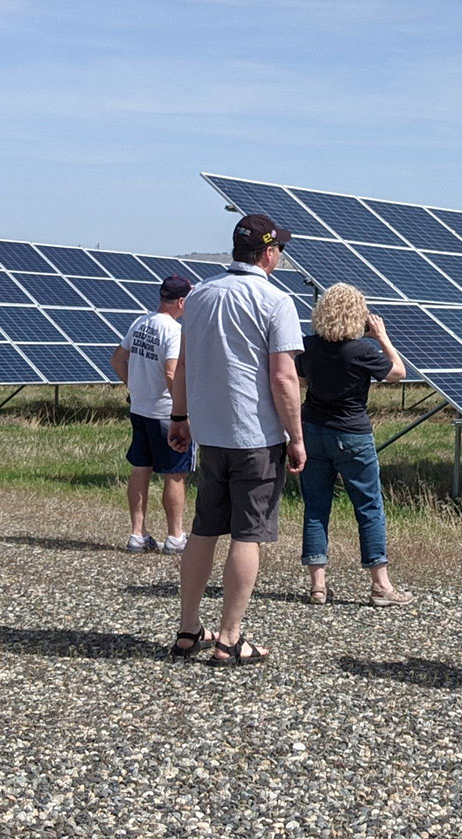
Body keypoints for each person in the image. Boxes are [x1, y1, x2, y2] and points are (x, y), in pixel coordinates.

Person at [165, 214, 305, 666]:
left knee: (204, 528)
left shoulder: (200, 295)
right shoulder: (275, 301)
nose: (279, 255)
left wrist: (180, 417)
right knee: (248, 534)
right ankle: (229, 637)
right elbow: (283, 378)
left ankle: (189, 629)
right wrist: (297, 437)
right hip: (257, 436)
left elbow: (183, 365)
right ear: (268, 253)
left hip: (211, 434)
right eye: (278, 248)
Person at [295, 283, 414, 607]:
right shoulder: (361, 350)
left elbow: (301, 380)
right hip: (352, 435)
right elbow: (398, 372)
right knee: (369, 507)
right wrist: (382, 337)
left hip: (312, 431)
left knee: (316, 508)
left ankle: (318, 586)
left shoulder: (308, 346)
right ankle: (380, 586)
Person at [109, 275, 194, 555]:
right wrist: (182, 410)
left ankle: (137, 533)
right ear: (181, 302)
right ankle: (175, 536)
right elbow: (171, 372)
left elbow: (118, 359)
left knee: (140, 469)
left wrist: (134, 386)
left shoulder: (141, 322)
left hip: (140, 409)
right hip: (165, 413)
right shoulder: (173, 330)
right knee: (175, 473)